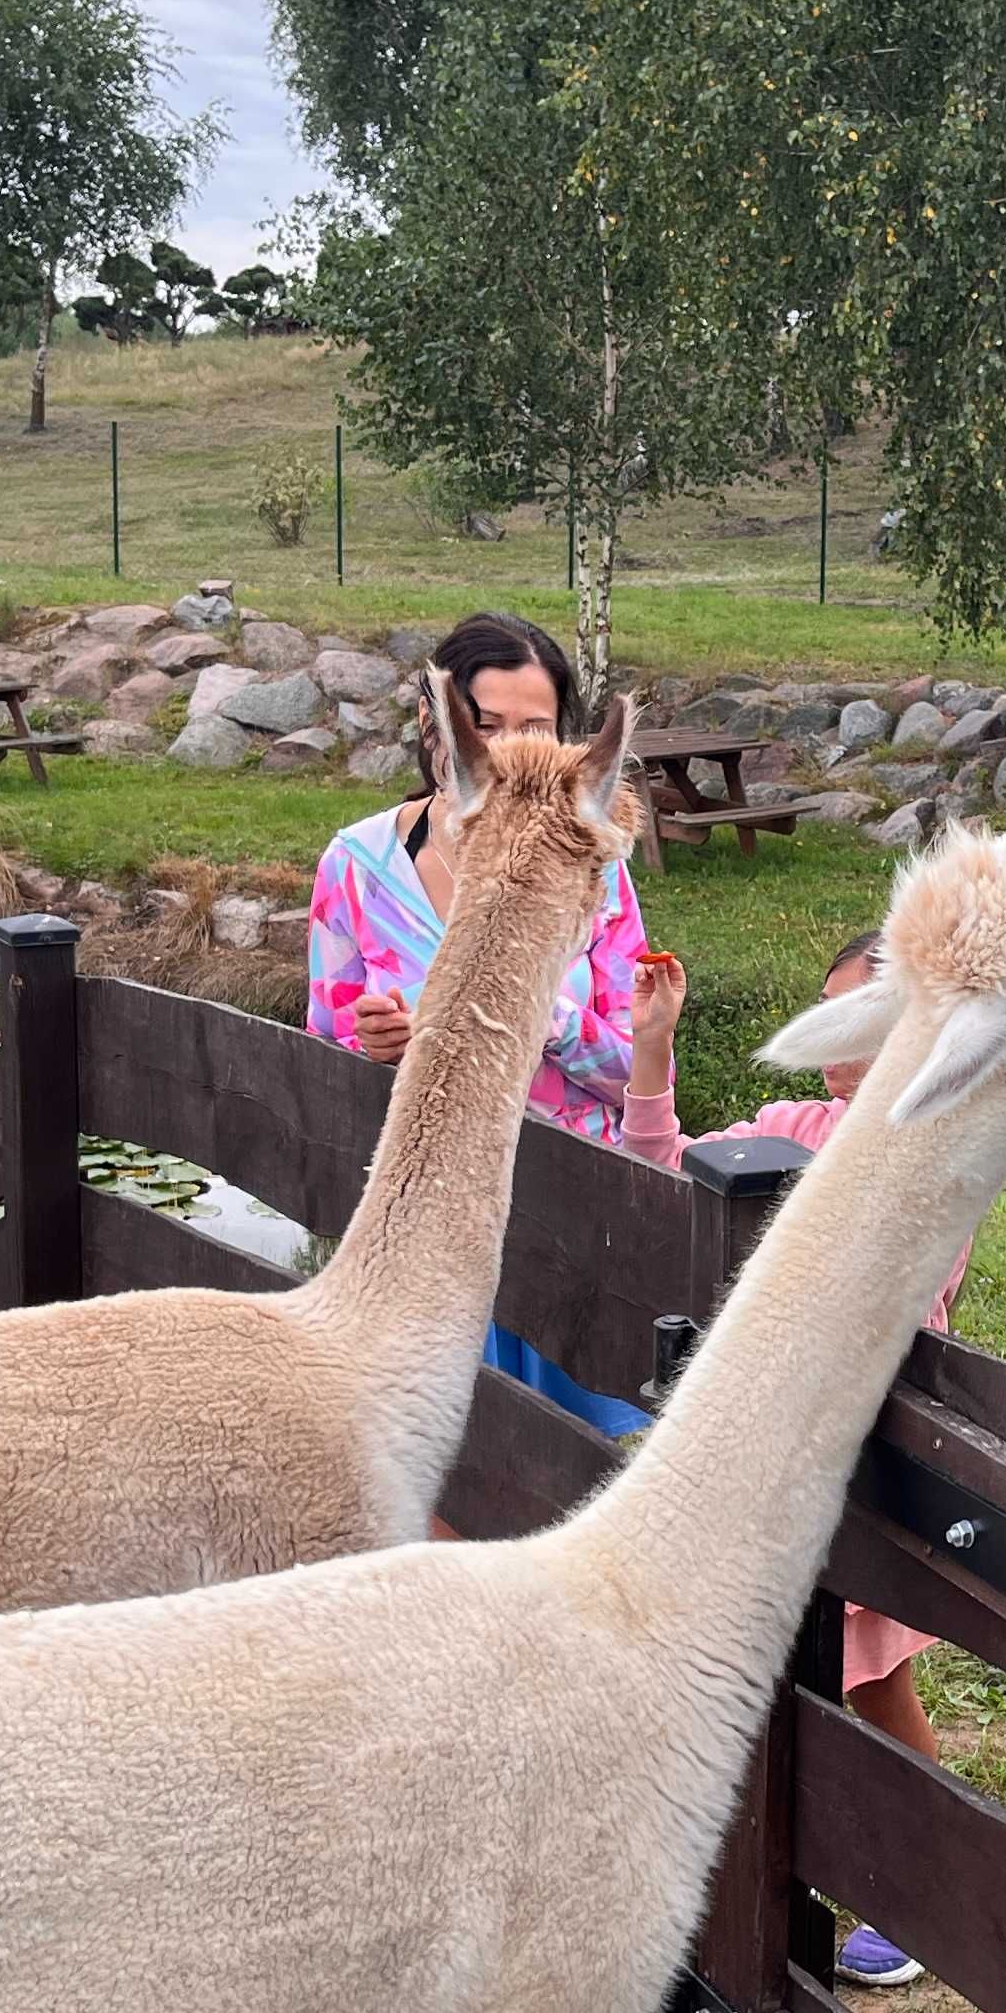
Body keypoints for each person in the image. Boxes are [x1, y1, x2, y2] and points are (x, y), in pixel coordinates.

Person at [621, 930, 958, 1988]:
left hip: (858, 1454)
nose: (829, 1044)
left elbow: (895, 1292)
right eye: (822, 1017)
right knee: (750, 1683)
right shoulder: (785, 1126)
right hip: (765, 1457)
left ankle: (923, 1886)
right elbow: (665, 1171)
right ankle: (746, 1894)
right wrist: (648, 1055)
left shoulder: (934, 1144)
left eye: (854, 1021)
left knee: (874, 1686)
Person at [305, 611, 654, 1435]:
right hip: (428, 1232)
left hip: (572, 1218)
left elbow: (636, 1067)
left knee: (582, 1464)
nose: (508, 749)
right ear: (442, 729)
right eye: (486, 725)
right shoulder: (356, 870)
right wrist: (372, 1039)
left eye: (533, 727)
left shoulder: (592, 872)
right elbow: (321, 1041)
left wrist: (528, 1012)